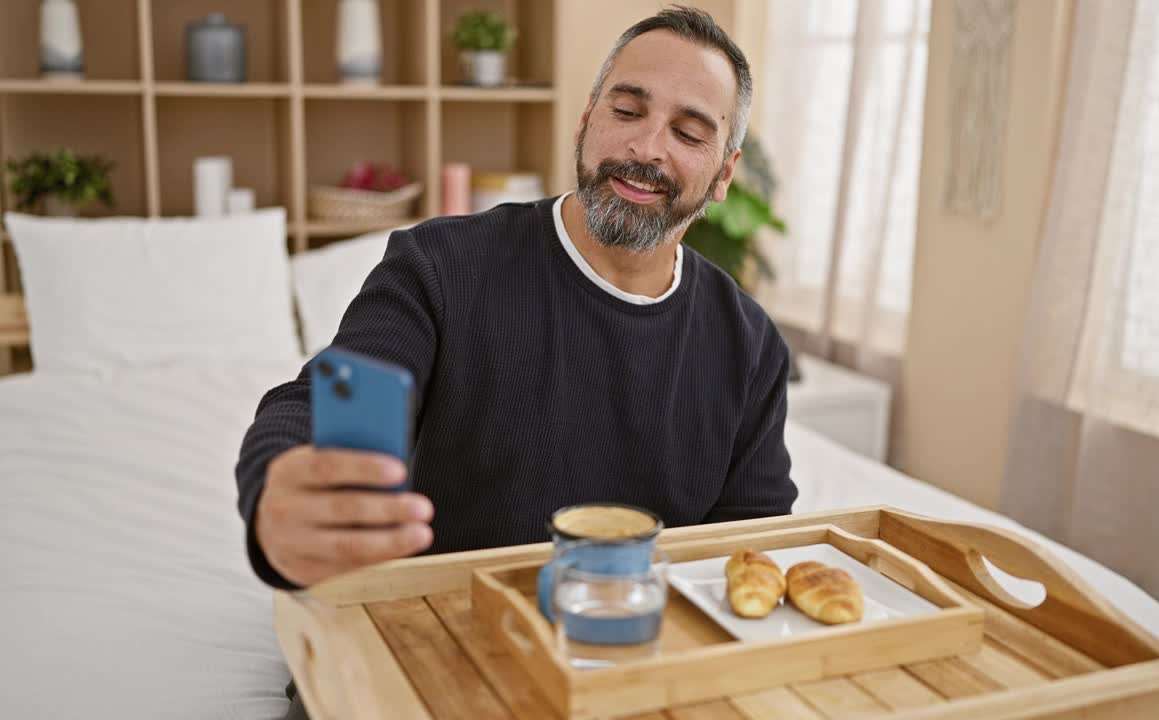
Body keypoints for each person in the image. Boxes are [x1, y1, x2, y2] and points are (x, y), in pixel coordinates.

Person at [237, 4, 795, 598]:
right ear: (586, 121)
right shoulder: (439, 266)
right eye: (627, 110)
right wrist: (279, 490)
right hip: (439, 628)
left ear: (722, 174)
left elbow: (748, 548)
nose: (647, 147)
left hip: (636, 649)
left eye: (688, 133)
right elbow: (322, 405)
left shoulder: (749, 344)